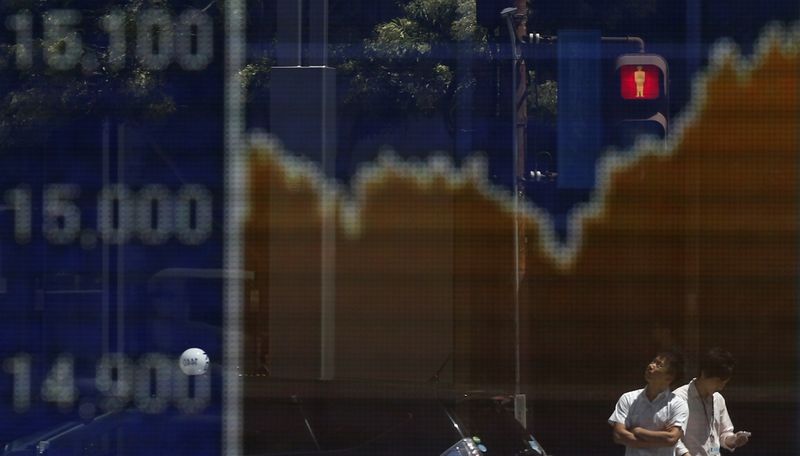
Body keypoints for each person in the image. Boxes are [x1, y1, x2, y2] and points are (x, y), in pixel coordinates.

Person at [609, 350, 689, 456]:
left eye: (659, 365)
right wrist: (659, 439)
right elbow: (618, 435)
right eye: (653, 361)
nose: (651, 366)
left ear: (669, 378)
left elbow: (671, 438)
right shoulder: (628, 398)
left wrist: (639, 431)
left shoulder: (677, 404)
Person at [674, 348, 751, 456]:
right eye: (718, 382)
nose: (720, 387)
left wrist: (734, 440)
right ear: (704, 374)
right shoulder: (679, 398)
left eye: (724, 383)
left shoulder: (718, 399)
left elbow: (724, 433)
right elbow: (670, 437)